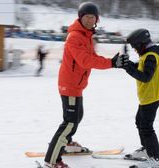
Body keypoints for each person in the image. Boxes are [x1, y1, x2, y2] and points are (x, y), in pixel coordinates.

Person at [43, 2, 128, 168]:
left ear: (97, 19)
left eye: (93, 17)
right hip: (70, 85)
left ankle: (66, 144)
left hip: (76, 85)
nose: (90, 20)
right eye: (86, 16)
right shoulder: (75, 36)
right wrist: (111, 63)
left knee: (77, 116)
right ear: (80, 18)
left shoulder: (86, 36)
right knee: (69, 123)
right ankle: (51, 160)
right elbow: (85, 60)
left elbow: (93, 56)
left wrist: (112, 61)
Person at [122, 29, 159, 168]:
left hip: (152, 96)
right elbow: (141, 68)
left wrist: (127, 68)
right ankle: (146, 150)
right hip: (148, 96)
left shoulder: (151, 56)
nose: (134, 50)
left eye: (135, 46)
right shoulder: (149, 55)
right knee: (140, 122)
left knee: (146, 127)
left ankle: (156, 159)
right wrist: (128, 64)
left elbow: (145, 76)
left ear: (141, 43)